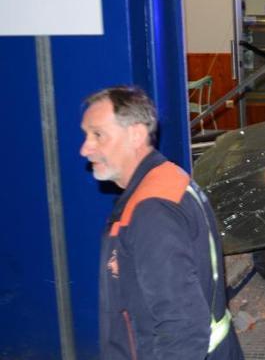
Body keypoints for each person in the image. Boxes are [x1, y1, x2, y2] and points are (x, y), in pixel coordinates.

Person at [79, 87, 243, 360]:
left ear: (136, 134)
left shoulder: (151, 212)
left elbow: (182, 326)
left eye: (98, 135)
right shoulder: (167, 177)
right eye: (86, 135)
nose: (85, 148)